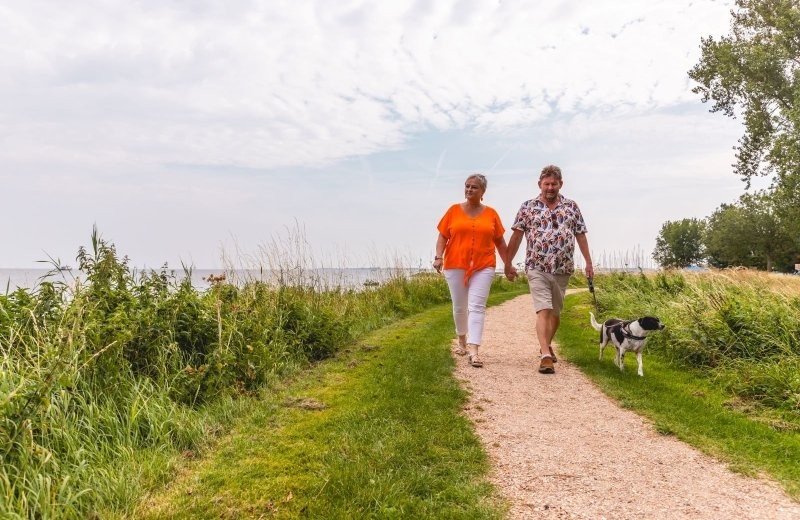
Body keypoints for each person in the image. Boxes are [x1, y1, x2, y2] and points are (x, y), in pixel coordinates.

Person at [505, 165, 593, 374]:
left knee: (555, 313)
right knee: (543, 309)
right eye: (547, 184)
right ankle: (545, 355)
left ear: (560, 184)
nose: (550, 187)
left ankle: (547, 344)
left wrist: (589, 263)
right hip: (537, 266)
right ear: (539, 185)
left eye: (554, 184)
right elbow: (517, 236)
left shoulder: (571, 207)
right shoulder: (528, 207)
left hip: (562, 268)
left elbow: (580, 235)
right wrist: (508, 263)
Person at [433, 173, 511, 368]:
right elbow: (443, 236)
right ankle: (461, 339)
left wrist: (508, 264)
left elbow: (500, 242)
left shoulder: (491, 213)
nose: (469, 190)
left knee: (477, 307)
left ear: (483, 191)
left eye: (474, 187)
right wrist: (438, 257)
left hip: (483, 265)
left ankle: (474, 350)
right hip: (455, 264)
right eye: (467, 186)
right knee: (460, 306)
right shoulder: (453, 210)